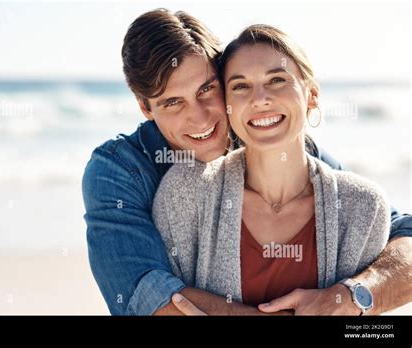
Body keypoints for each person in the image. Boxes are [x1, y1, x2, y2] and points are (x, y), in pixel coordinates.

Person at [82, 9, 412, 316]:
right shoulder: (119, 170)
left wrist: (355, 294)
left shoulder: (268, 136)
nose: (199, 119)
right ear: (145, 109)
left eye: (206, 90)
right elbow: (148, 298)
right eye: (172, 102)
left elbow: (399, 232)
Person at [152, 24, 392, 315]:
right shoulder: (185, 192)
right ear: (227, 104)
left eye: (277, 80)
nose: (259, 99)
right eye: (240, 86)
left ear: (311, 95)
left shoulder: (362, 207)